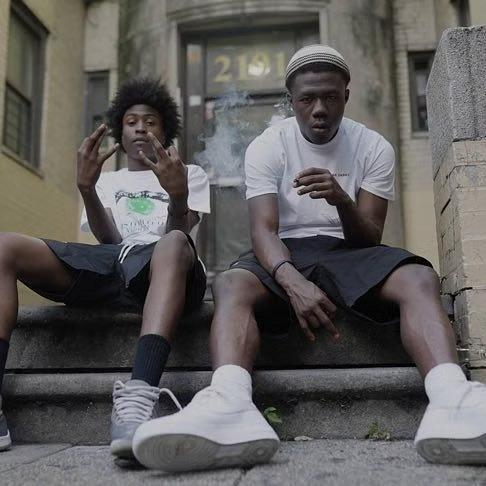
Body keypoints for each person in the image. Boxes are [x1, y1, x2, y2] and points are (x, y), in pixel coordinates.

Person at [131, 45, 486, 471]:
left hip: (349, 252)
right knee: (231, 283)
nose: (319, 109)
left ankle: (452, 398)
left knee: (418, 278)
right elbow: (263, 231)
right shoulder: (268, 146)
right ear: (290, 101)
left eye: (330, 97)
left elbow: (369, 237)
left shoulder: (373, 146)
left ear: (346, 96)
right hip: (285, 251)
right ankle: (228, 402)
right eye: (307, 99)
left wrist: (342, 200)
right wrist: (291, 279)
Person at [0, 78, 210, 458]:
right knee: (4, 246)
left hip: (167, 266)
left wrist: (177, 196)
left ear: (165, 131)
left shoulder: (188, 173)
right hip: (113, 263)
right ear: (120, 132)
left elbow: (177, 234)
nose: (141, 128)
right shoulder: (108, 179)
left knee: (173, 243)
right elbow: (110, 241)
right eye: (131, 122)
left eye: (150, 121)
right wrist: (86, 189)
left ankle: (138, 401)